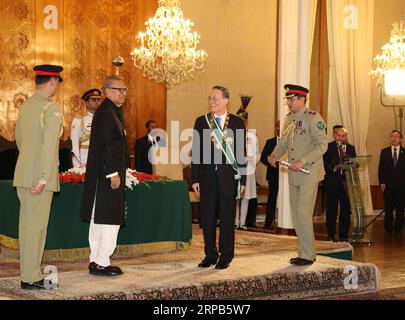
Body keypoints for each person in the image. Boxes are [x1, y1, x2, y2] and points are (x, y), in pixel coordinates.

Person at [13, 64, 64, 290]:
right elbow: (50, 147)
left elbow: (19, 140)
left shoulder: (26, 106)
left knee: (26, 227)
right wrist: (43, 178)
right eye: (56, 83)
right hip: (39, 178)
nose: (56, 87)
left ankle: (29, 272)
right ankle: (31, 277)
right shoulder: (51, 109)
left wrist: (30, 168)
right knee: (36, 228)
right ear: (52, 81)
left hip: (23, 173)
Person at [269, 84, 328, 266]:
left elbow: (322, 146)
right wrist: (274, 155)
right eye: (287, 100)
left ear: (302, 99)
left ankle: (308, 254)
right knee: (296, 214)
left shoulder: (314, 118)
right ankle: (304, 252)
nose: (289, 103)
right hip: (294, 174)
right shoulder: (289, 119)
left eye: (292, 99)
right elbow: (285, 142)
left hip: (309, 173)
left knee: (303, 213)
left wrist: (303, 160)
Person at [192, 85, 246, 270]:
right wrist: (195, 179)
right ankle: (210, 254)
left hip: (228, 178)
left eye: (215, 98)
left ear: (226, 101)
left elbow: (241, 153)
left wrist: (243, 181)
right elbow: (197, 152)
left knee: (227, 217)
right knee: (206, 218)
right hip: (207, 178)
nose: (211, 102)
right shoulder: (202, 121)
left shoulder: (237, 123)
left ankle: (226, 255)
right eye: (210, 98)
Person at [80, 75, 128, 277]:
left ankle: (97, 260)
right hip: (108, 174)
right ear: (107, 90)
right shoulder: (107, 112)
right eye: (119, 90)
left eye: (125, 90)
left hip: (106, 173)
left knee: (100, 217)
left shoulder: (110, 111)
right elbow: (104, 144)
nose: (123, 93)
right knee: (108, 218)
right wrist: (112, 172)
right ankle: (102, 261)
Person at [323, 126, 356, 242]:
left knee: (346, 210)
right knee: (331, 209)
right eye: (339, 135)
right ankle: (331, 234)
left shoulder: (351, 148)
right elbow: (325, 164)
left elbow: (354, 162)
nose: (341, 138)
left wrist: (353, 165)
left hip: (346, 182)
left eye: (343, 136)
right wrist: (335, 166)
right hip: (332, 181)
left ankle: (343, 235)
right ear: (334, 135)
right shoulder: (328, 147)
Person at [235, 107, 259, 230]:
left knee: (246, 197)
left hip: (249, 170)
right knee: (235, 197)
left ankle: (242, 222)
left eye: (244, 121)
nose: (242, 123)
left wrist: (251, 160)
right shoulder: (232, 135)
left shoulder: (252, 136)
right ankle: (234, 221)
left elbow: (257, 154)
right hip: (235, 169)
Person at [378, 130, 405, 235]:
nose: (394, 138)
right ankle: (388, 228)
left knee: (400, 208)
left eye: (397, 136)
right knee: (388, 208)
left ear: (401, 139)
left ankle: (399, 228)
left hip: (402, 186)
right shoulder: (384, 152)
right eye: (392, 136)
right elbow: (381, 169)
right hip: (387, 185)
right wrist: (382, 182)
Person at [71, 89, 102, 167]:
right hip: (85, 160)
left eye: (98, 99)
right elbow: (74, 144)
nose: (97, 102)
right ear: (87, 102)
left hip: (102, 160)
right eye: (94, 100)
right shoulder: (79, 120)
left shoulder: (105, 119)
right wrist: (78, 165)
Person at [260, 120, 281, 230]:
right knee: (272, 199)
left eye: (280, 126)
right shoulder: (270, 142)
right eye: (277, 126)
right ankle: (268, 223)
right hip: (273, 175)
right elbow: (263, 157)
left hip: (286, 176)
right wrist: (270, 162)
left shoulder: (290, 142)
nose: (278, 129)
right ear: (274, 128)